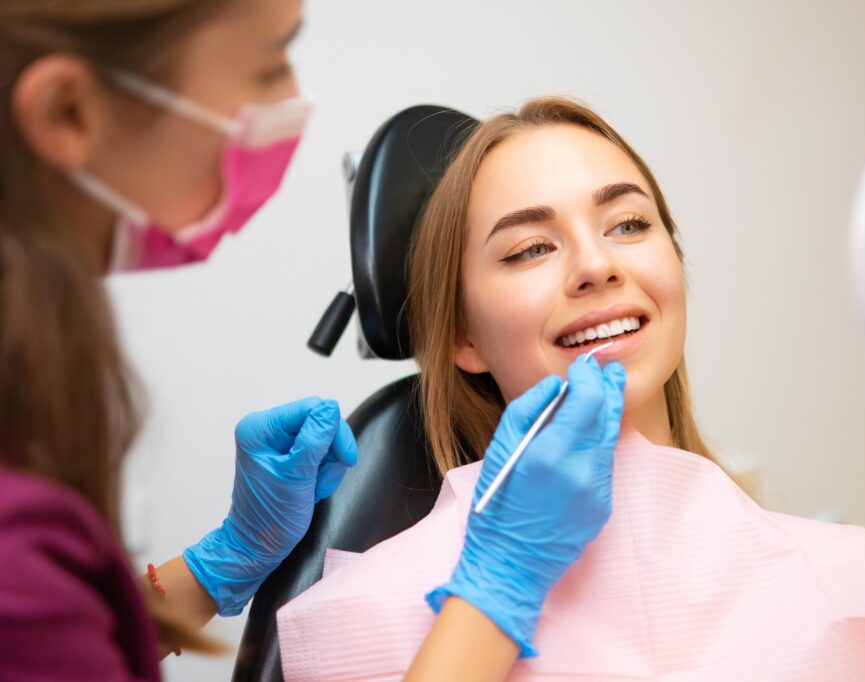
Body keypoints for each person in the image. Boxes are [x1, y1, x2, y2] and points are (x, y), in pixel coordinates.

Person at [0, 1, 622, 679]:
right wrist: (500, 585)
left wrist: (223, 559)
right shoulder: (368, 596)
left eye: (629, 224)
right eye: (268, 66)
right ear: (68, 112)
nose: (599, 266)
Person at [271, 96, 865, 680]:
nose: (595, 264)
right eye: (529, 248)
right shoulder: (369, 616)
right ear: (461, 337)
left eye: (628, 224)